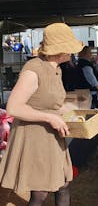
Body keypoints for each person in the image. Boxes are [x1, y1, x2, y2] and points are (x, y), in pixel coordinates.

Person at [0, 23, 83, 206]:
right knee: (40, 194)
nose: (72, 51)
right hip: (34, 138)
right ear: (59, 49)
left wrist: (73, 113)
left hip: (51, 137)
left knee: (63, 184)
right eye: (69, 47)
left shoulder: (56, 69)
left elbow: (49, 103)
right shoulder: (34, 68)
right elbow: (13, 107)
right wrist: (50, 117)